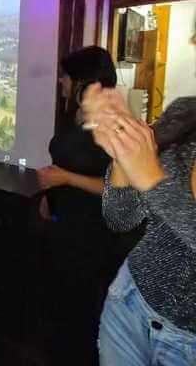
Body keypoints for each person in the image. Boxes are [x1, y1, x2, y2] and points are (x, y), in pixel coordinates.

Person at [82, 67, 196, 363]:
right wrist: (122, 145)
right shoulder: (183, 115)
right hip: (128, 304)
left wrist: (151, 178)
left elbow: (151, 181)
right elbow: (121, 218)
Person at [35, 46, 118, 363]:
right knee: (59, 305)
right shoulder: (76, 116)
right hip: (65, 222)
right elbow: (65, 161)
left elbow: (118, 189)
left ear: (83, 80)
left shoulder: (112, 125)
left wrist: (66, 179)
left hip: (91, 231)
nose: (61, 81)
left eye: (66, 76)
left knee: (80, 312)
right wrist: (49, 196)